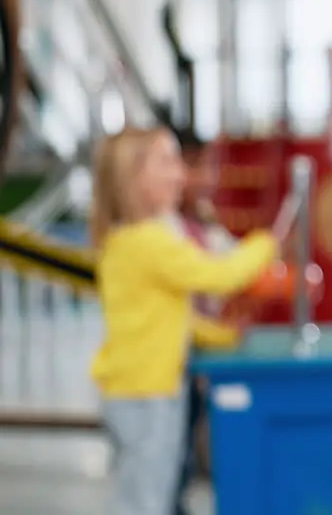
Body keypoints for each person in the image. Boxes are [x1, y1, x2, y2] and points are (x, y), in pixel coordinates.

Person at [90, 126, 278, 515]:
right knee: (143, 501)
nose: (180, 174)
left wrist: (218, 335)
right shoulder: (149, 243)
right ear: (132, 177)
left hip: (145, 388)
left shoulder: (129, 241)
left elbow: (170, 315)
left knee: (152, 493)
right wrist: (264, 243)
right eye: (167, 162)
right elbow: (219, 275)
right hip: (146, 394)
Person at [171, 128, 238, 515]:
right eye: (196, 167)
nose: (207, 178)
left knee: (185, 455)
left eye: (210, 167)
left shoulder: (204, 219)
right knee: (171, 463)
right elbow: (214, 274)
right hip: (175, 363)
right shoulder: (167, 231)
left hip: (196, 359)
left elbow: (229, 260)